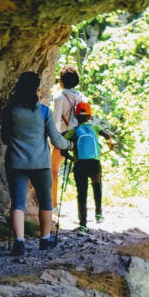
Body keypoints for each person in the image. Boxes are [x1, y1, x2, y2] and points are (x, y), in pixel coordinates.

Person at [1, 72, 70, 256]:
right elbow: (56, 139)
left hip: (16, 162)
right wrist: (68, 145)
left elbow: (5, 138)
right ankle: (45, 239)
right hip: (40, 163)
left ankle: (19, 243)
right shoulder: (44, 112)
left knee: (18, 202)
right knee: (45, 200)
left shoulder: (10, 111)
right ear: (36, 90)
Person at [62, 102, 114, 233]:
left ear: (76, 116)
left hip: (80, 164)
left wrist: (71, 158)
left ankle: (83, 224)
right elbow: (108, 136)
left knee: (82, 194)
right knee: (97, 186)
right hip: (94, 163)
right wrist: (110, 144)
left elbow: (62, 146)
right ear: (89, 116)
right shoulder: (95, 127)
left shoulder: (73, 131)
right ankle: (98, 213)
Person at [50, 66, 87, 204]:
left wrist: (52, 141)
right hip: (78, 138)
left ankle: (53, 204)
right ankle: (82, 206)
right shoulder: (83, 97)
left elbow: (56, 121)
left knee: (53, 170)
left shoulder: (59, 96)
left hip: (63, 137)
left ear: (61, 81)